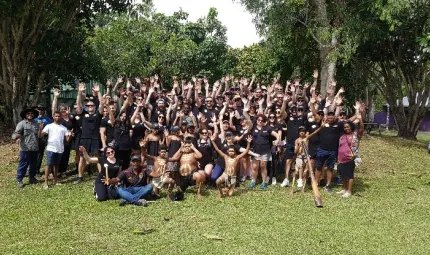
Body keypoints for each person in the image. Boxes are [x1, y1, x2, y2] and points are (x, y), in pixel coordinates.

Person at [74, 82, 104, 184]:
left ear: (94, 107)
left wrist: (99, 92)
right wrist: (79, 93)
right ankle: (80, 177)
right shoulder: (83, 114)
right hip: (84, 139)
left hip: (95, 139)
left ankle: (101, 176)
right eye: (88, 105)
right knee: (82, 158)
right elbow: (78, 105)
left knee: (98, 158)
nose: (90, 106)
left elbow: (102, 104)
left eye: (92, 105)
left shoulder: (98, 115)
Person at [211, 135, 251, 199]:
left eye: (232, 151)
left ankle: (231, 186)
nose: (231, 152)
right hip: (225, 174)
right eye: (230, 151)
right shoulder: (225, 157)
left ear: (235, 152)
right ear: (227, 151)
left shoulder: (237, 158)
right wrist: (213, 141)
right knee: (217, 182)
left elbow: (246, 151)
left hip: (231, 176)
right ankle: (221, 193)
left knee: (229, 195)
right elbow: (217, 149)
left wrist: (248, 143)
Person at [38, 111, 72, 189]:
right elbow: (40, 135)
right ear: (53, 117)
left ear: (61, 117)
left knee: (56, 165)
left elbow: (67, 140)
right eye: (56, 116)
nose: (57, 117)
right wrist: (40, 128)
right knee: (49, 164)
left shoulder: (63, 128)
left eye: (58, 116)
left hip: (60, 149)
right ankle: (46, 182)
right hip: (51, 148)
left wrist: (70, 135)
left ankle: (55, 180)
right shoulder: (49, 126)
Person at [336, 104, 364, 197]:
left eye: (348, 127)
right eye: (345, 127)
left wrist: (360, 118)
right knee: (343, 175)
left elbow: (361, 128)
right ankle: (344, 189)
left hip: (350, 157)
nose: (346, 128)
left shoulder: (355, 135)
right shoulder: (342, 135)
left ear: (351, 127)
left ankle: (349, 191)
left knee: (349, 175)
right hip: (341, 158)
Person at [12, 108, 40, 188]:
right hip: (25, 148)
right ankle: (20, 180)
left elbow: (39, 135)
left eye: (32, 113)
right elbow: (15, 134)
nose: (30, 114)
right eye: (28, 113)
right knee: (23, 164)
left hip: (34, 147)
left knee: (33, 164)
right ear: (25, 115)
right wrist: (17, 137)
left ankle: (32, 178)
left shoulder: (37, 124)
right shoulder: (22, 124)